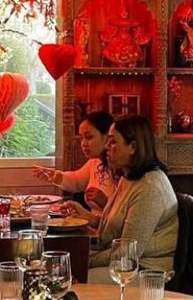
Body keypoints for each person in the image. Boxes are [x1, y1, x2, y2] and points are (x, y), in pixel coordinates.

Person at [65, 115, 178, 284]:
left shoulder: (149, 187)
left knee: (71, 280)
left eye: (112, 142)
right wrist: (87, 217)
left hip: (146, 272)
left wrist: (82, 261)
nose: (107, 147)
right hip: (123, 264)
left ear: (133, 147)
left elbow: (127, 253)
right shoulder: (128, 178)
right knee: (63, 270)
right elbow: (119, 229)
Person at [32, 110, 117, 217]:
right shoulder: (95, 162)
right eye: (81, 138)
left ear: (108, 136)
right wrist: (54, 176)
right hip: (94, 224)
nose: (83, 144)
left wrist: (105, 202)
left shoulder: (120, 168)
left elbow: (125, 215)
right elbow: (77, 181)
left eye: (89, 137)